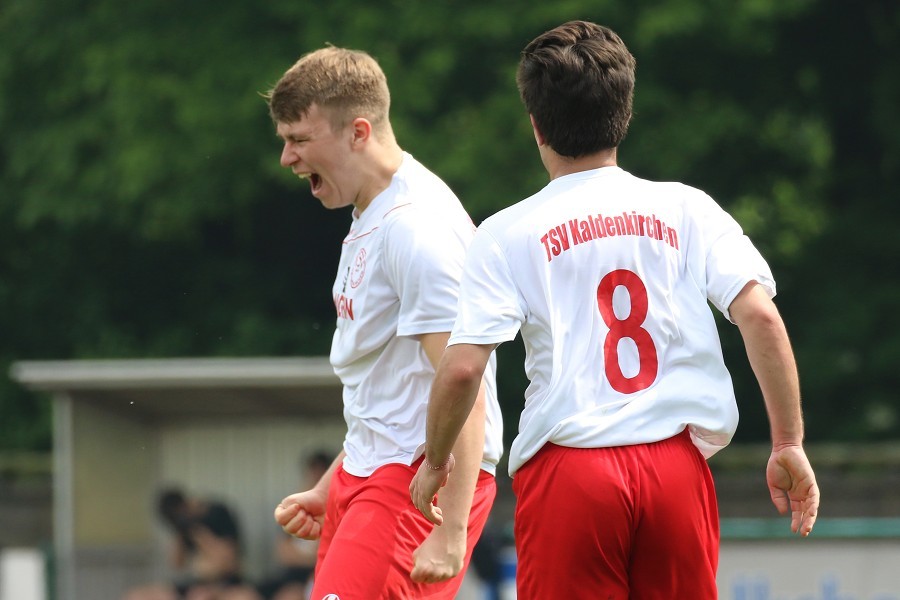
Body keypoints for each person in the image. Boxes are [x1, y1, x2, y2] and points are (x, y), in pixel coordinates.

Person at [410, 20, 820, 599]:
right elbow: (761, 318)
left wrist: (434, 461)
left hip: (571, 471)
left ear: (536, 127)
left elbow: (459, 369)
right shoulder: (687, 209)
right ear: (624, 114)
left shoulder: (505, 233)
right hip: (676, 468)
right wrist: (788, 443)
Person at [266, 45, 504, 599]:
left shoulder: (415, 229)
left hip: (416, 482)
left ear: (358, 132)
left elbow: (464, 381)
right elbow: (393, 384)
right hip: (368, 476)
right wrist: (332, 487)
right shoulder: (371, 214)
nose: (287, 158)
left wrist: (451, 528)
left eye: (299, 140)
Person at [122, 488, 244, 600]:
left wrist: (198, 531)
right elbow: (177, 564)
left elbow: (228, 562)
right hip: (197, 582)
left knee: (201, 596)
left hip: (224, 583)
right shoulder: (183, 528)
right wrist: (179, 530)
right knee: (136, 595)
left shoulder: (216, 514)